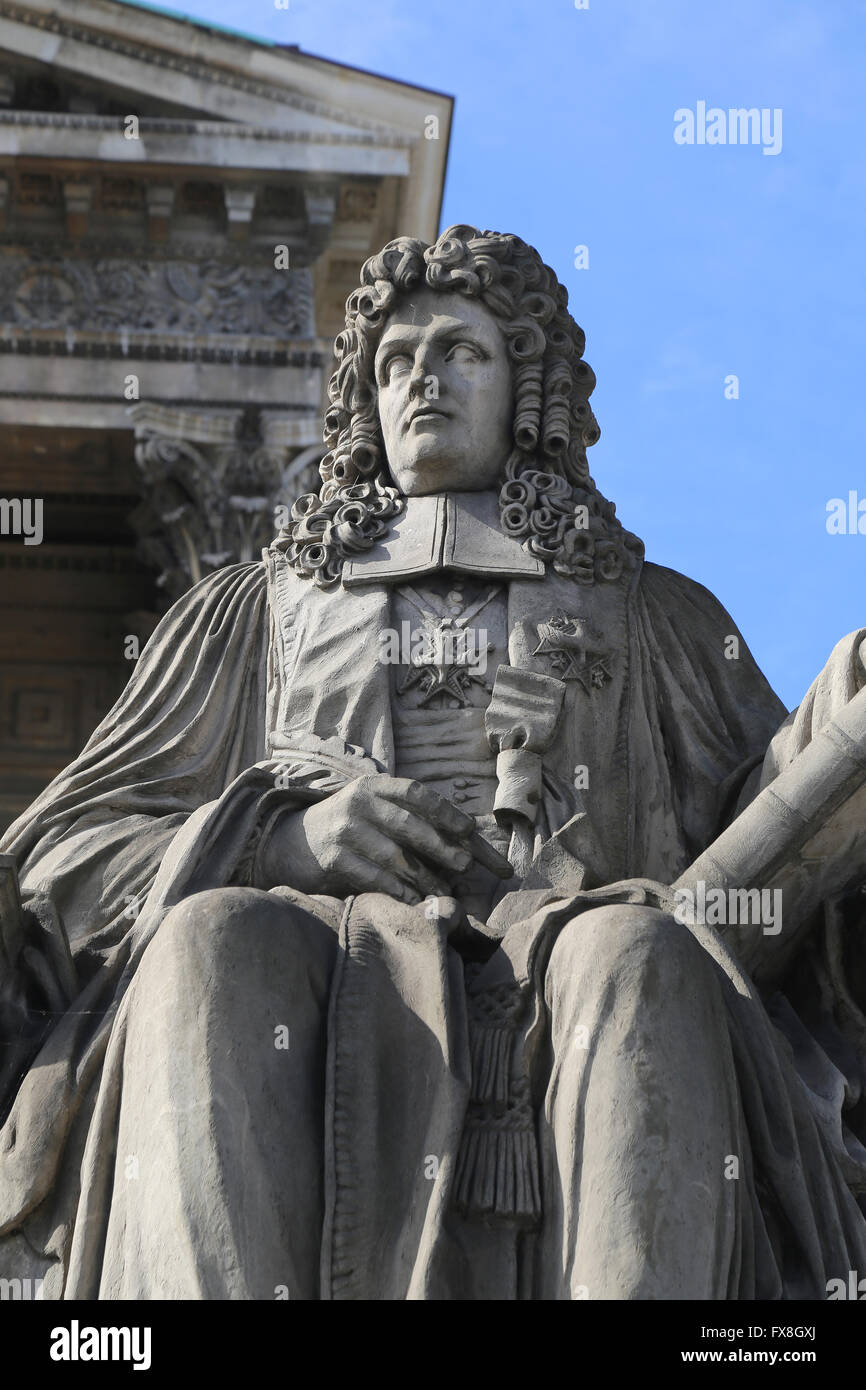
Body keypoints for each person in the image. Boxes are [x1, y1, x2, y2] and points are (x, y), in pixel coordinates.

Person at [2, 225, 865, 1300]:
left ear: (527, 387)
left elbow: (764, 816)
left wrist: (846, 703)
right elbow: (61, 860)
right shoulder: (253, 613)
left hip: (568, 950)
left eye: (460, 352)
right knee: (211, 940)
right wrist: (282, 836)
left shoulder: (653, 617)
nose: (422, 381)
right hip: (326, 961)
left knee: (638, 953)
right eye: (395, 361)